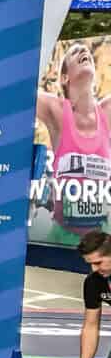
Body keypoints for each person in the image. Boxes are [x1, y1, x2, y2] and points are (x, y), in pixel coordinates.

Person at [36, 40, 111, 243]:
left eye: (85, 50)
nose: (83, 50)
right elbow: (19, 92)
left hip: (104, 235)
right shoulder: (57, 110)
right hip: (63, 235)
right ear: (64, 77)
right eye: (74, 52)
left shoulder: (107, 111)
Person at [71, 229, 111, 358]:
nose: (94, 269)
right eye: (90, 264)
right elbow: (91, 326)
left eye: (99, 262)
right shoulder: (94, 282)